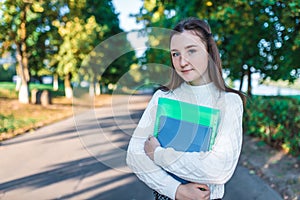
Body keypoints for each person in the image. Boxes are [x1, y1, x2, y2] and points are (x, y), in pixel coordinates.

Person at [126, 17, 245, 200]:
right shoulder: (163, 97)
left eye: (191, 51)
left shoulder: (229, 101)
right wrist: (176, 190)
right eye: (175, 54)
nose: (182, 62)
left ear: (209, 52)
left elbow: (219, 169)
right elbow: (134, 156)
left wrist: (158, 154)